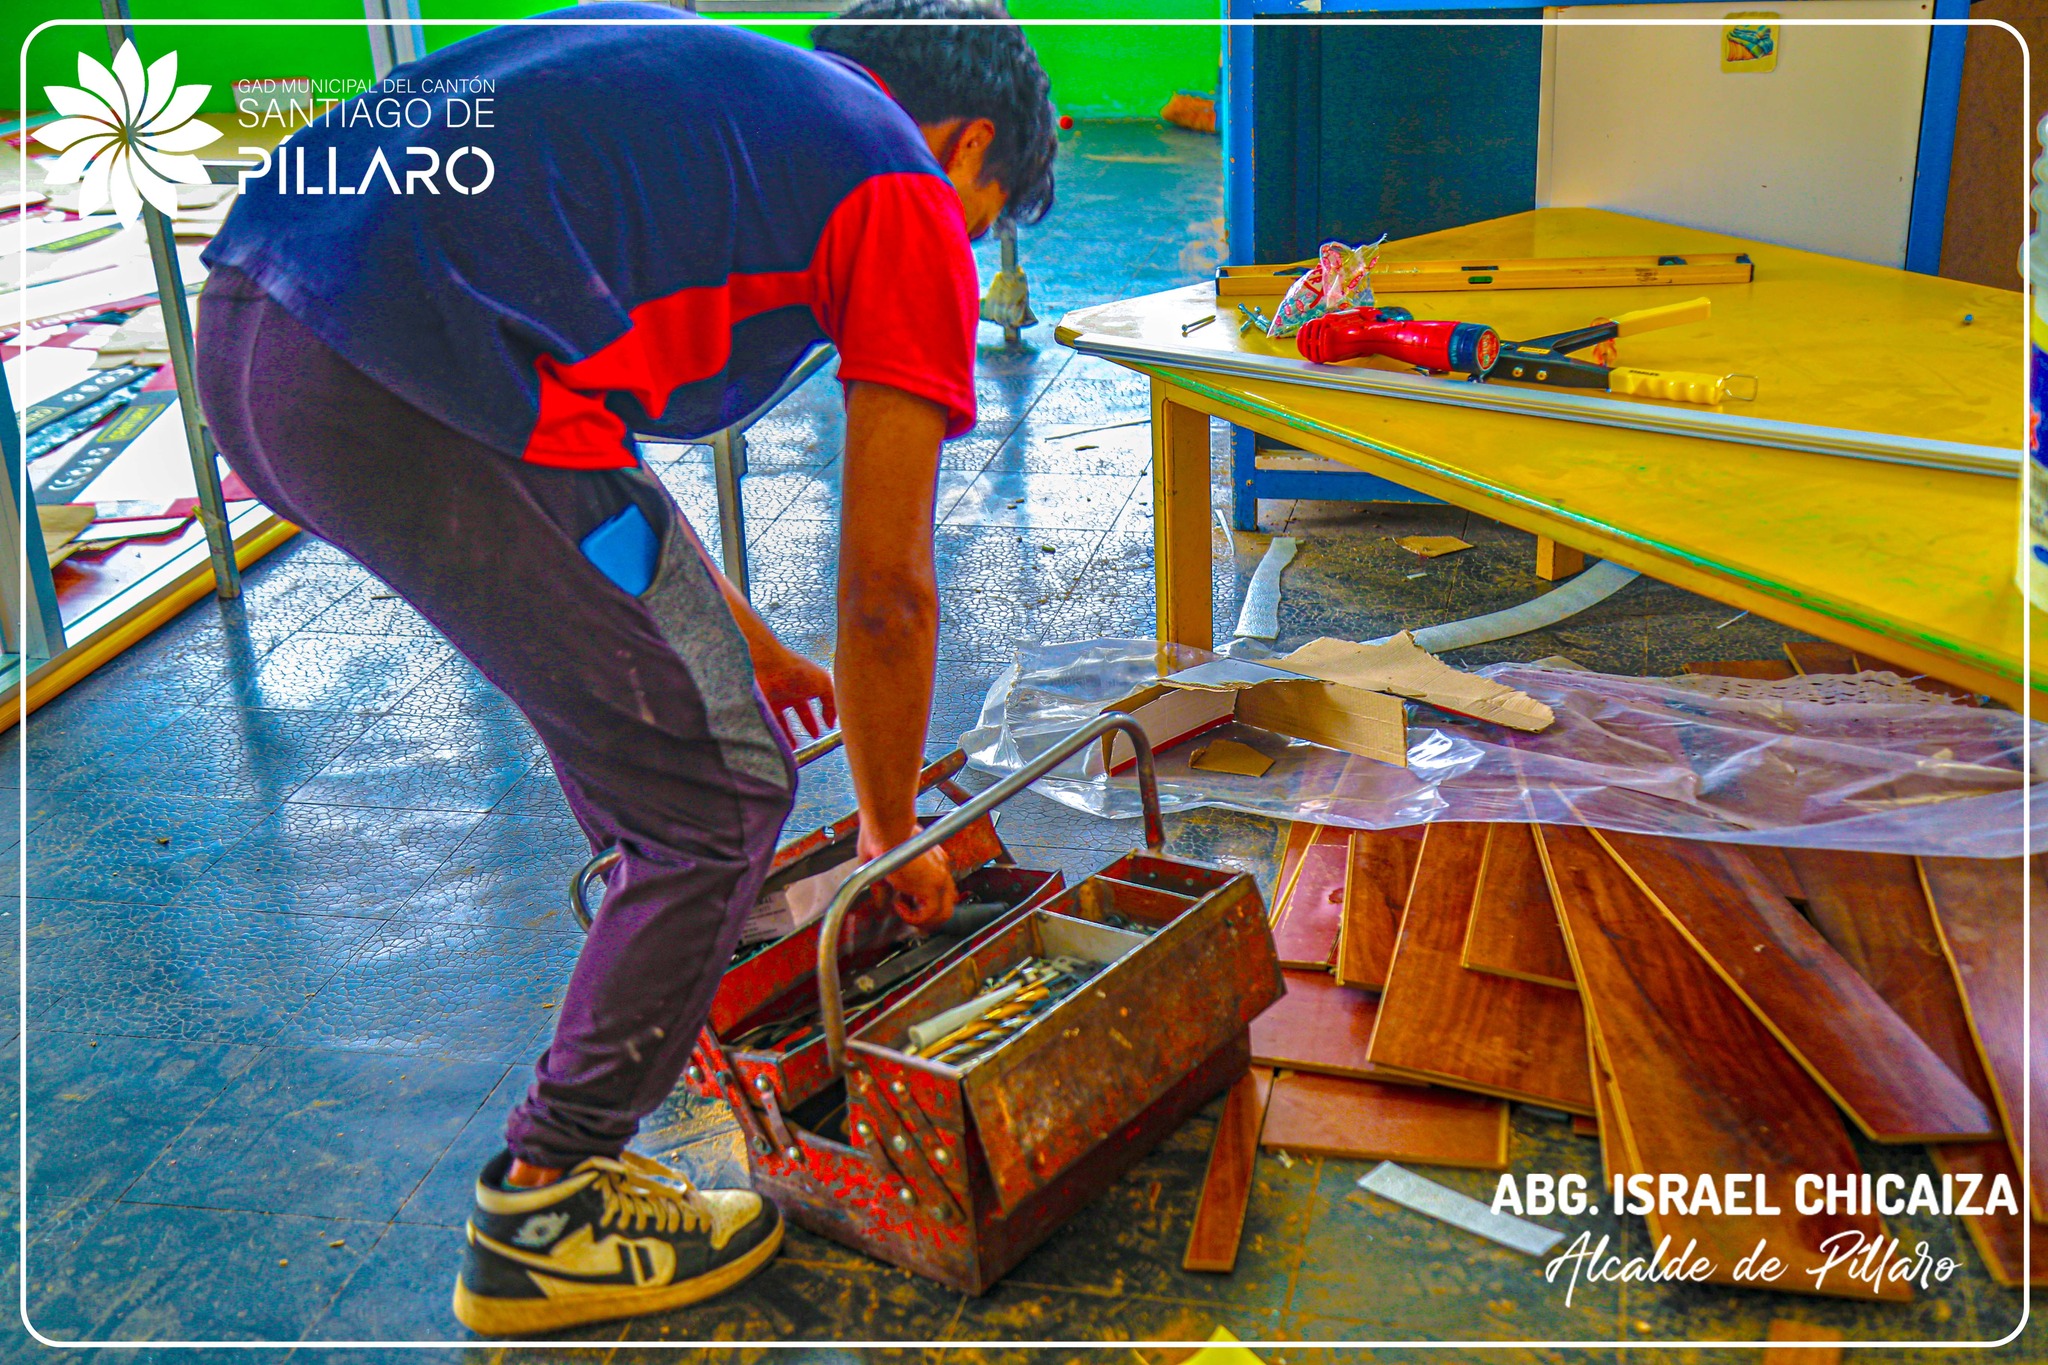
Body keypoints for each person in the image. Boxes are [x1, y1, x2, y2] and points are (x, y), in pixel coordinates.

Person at [193, 0, 1055, 1335]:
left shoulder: (721, 91)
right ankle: (549, 1199)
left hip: (263, 330)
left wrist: (737, 633)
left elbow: (576, 423)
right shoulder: (901, 185)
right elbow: (888, 596)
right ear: (970, 144)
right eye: (983, 220)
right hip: (392, 371)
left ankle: (663, 958)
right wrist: (892, 837)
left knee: (661, 712)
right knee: (718, 794)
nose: (966, 248)